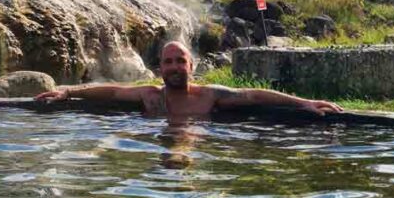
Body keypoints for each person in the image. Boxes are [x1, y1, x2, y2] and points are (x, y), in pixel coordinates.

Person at [35, 40, 343, 123]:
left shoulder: (208, 96)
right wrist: (68, 90)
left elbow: (253, 95)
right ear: (160, 69)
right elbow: (113, 91)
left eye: (180, 61)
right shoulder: (150, 96)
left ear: (191, 66)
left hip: (196, 144)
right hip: (158, 146)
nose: (174, 67)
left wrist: (304, 102)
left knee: (183, 149)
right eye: (168, 62)